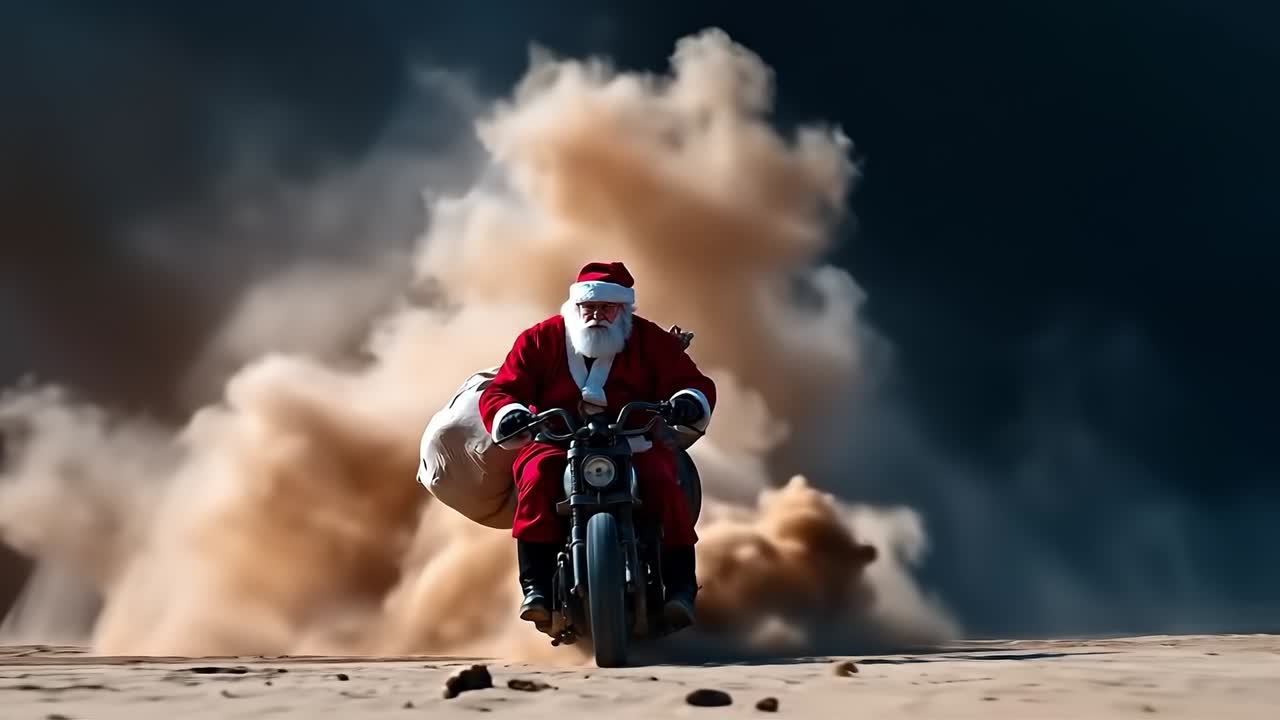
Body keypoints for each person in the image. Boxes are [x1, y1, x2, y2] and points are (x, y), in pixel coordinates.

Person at [478, 260, 716, 631]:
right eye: (588, 307)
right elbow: (503, 388)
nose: (596, 315)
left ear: (624, 311)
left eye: (607, 308)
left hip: (633, 441)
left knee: (663, 482)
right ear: (575, 307)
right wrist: (508, 412)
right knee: (537, 477)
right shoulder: (541, 339)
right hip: (556, 440)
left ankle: (681, 589)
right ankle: (536, 588)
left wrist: (687, 399)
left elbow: (693, 382)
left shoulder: (649, 340)